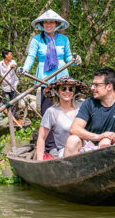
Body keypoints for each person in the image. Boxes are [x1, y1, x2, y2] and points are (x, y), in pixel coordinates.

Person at [20, 9, 81, 153]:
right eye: (46, 22)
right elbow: (30, 57)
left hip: (62, 78)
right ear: (42, 24)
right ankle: (50, 146)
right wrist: (25, 68)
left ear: (57, 24)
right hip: (43, 78)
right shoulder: (36, 39)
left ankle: (69, 140)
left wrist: (75, 60)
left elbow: (68, 59)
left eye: (51, 22)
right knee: (48, 110)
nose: (49, 25)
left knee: (66, 108)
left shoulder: (64, 40)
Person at [64, 67, 115, 157]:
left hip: (113, 146)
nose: (92, 88)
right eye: (93, 85)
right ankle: (70, 170)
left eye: (96, 85)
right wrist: (99, 137)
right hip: (91, 147)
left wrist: (109, 139)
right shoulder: (89, 103)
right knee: (72, 140)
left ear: (109, 86)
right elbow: (74, 129)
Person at [36, 76, 85, 160]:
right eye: (63, 88)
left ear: (74, 92)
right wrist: (39, 161)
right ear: (57, 91)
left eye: (70, 89)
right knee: (73, 140)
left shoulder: (81, 106)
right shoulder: (51, 112)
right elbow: (41, 138)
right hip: (66, 153)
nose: (67, 91)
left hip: (86, 149)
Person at [0, 49, 19, 116]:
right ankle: (8, 116)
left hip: (13, 85)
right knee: (6, 102)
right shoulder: (0, 64)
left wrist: (13, 66)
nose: (11, 56)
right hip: (5, 87)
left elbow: (14, 65)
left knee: (14, 102)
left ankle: (13, 116)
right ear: (6, 55)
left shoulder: (12, 61)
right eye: (10, 54)